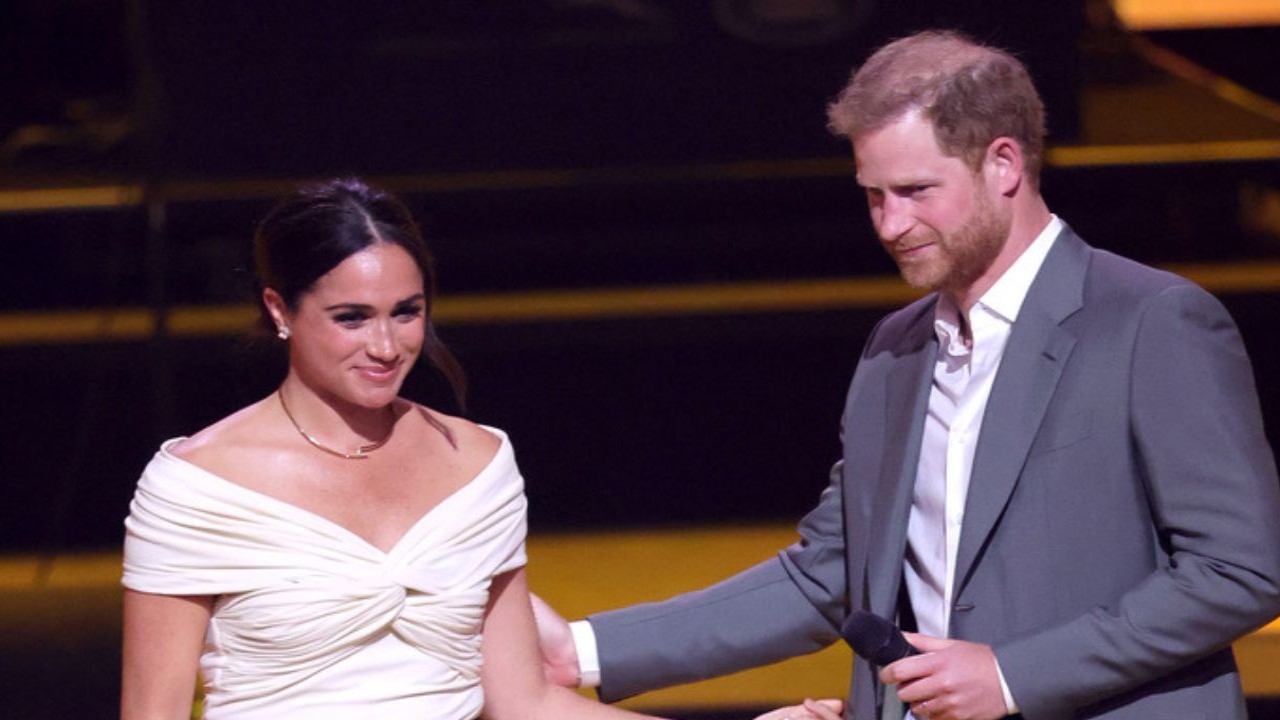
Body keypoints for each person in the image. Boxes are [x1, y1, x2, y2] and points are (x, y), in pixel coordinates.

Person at [534, 30, 1280, 720]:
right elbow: (828, 575)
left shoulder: (1152, 321)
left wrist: (1012, 675)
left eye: (917, 192)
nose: (890, 226)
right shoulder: (896, 349)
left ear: (1004, 163)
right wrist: (582, 650)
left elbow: (1239, 570)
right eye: (873, 196)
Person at [118, 177, 838, 720]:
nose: (386, 345)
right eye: (351, 318)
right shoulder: (198, 485)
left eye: (407, 312)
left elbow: (526, 701)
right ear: (280, 310)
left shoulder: (476, 462)